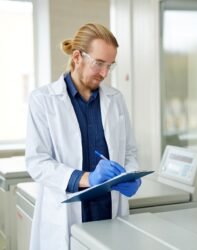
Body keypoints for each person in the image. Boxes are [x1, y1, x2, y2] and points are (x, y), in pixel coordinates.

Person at [25, 23, 141, 250]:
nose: (105, 73)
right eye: (99, 63)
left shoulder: (115, 99)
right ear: (77, 57)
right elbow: (37, 162)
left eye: (110, 66)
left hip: (109, 213)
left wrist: (130, 175)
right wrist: (87, 178)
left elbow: (129, 150)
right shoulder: (43, 99)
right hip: (65, 217)